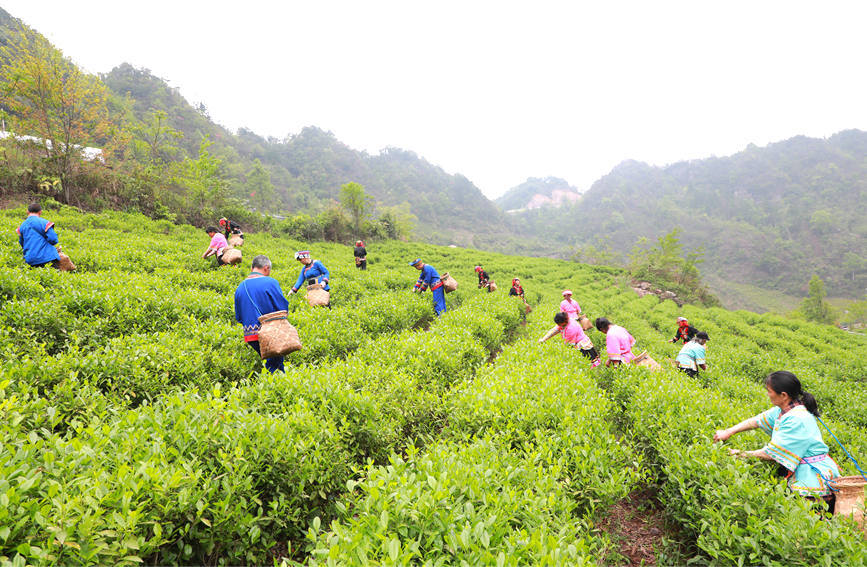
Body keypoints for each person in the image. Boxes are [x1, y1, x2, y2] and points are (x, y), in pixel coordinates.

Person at [713, 371, 840, 505]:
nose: (768, 395)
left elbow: (771, 453)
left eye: (769, 391)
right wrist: (728, 432)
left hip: (812, 482)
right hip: (804, 475)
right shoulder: (784, 410)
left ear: (783, 395)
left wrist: (739, 454)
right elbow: (756, 421)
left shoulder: (797, 419)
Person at [234, 255, 289, 373]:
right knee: (276, 366)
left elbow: (238, 317)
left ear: (252, 267)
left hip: (250, 335)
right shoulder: (270, 282)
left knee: (272, 362)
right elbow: (282, 308)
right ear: (266, 268)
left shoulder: (240, 287)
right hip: (270, 332)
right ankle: (275, 388)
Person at [17, 203, 61, 268]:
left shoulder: (22, 226)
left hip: (30, 260)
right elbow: (53, 240)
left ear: (27, 211)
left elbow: (22, 243)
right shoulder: (45, 223)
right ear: (40, 212)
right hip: (48, 258)